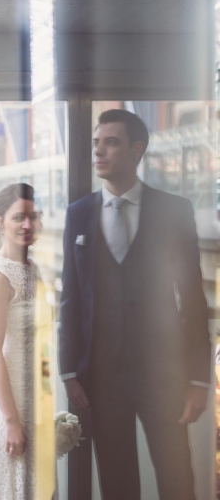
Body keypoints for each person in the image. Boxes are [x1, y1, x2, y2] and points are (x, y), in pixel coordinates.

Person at [59, 109, 211, 500]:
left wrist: (198, 379)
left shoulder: (174, 211)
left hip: (164, 375)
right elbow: (71, 298)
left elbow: (193, 296)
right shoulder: (78, 214)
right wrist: (68, 372)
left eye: (111, 142)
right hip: (102, 378)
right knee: (116, 482)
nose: (99, 151)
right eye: (96, 142)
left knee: (177, 476)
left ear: (136, 149)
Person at [0, 183, 41, 500]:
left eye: (32, 216)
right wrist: (12, 421)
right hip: (9, 398)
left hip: (33, 395)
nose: (27, 225)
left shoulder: (33, 269)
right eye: (18, 218)